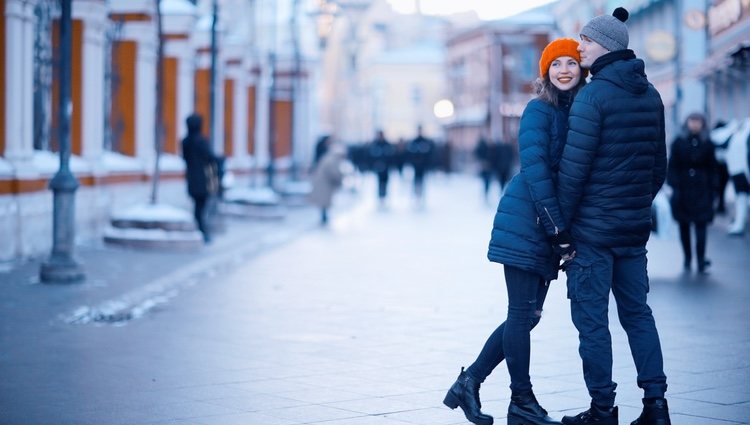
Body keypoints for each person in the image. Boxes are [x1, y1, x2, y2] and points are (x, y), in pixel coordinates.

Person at [444, 38, 587, 425]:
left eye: (570, 63)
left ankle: (469, 383)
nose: (563, 70)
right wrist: (558, 229)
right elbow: (537, 170)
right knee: (522, 315)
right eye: (555, 64)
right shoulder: (539, 110)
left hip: (546, 224)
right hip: (529, 220)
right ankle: (521, 401)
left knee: (529, 315)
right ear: (545, 72)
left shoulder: (580, 110)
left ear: (582, 68)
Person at [554, 8, 671, 425]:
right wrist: (635, 205)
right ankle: (656, 407)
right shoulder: (651, 93)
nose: (579, 46)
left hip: (593, 233)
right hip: (633, 230)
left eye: (584, 40)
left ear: (604, 44)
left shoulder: (594, 95)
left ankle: (602, 409)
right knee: (638, 314)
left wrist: (561, 228)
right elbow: (659, 166)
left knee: (593, 323)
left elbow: (573, 171)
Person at [667, 113, 717, 273]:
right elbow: (672, 165)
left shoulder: (707, 143)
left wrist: (714, 188)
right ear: (687, 123)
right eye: (692, 121)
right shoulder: (678, 142)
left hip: (702, 189)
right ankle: (688, 257)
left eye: (698, 122)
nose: (695, 125)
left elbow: (713, 167)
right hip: (683, 189)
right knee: (684, 225)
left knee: (701, 224)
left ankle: (701, 260)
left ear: (703, 124)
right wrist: (674, 185)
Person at [181, 114, 220, 243]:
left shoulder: (185, 142)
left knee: (197, 205)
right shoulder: (201, 141)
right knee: (201, 206)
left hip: (191, 177)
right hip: (203, 178)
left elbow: (185, 158)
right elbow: (210, 157)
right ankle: (202, 231)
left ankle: (201, 230)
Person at [309, 141, 347, 225]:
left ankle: (324, 216)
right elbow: (333, 172)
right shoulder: (332, 160)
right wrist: (340, 179)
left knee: (324, 200)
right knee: (324, 200)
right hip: (324, 183)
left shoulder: (330, 158)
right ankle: (324, 217)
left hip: (324, 182)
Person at [406, 125, 436, 203]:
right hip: (416, 165)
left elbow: (430, 154)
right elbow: (409, 154)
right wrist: (412, 162)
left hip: (423, 165)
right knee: (416, 180)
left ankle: (421, 196)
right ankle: (415, 195)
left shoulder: (426, 142)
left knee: (422, 181)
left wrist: (428, 164)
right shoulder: (414, 142)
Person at [368, 130, 395, 205]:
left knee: (385, 182)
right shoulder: (375, 144)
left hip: (386, 168)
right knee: (379, 182)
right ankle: (380, 196)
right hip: (378, 168)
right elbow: (370, 156)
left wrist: (390, 165)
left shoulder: (387, 145)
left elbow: (391, 156)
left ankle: (384, 196)